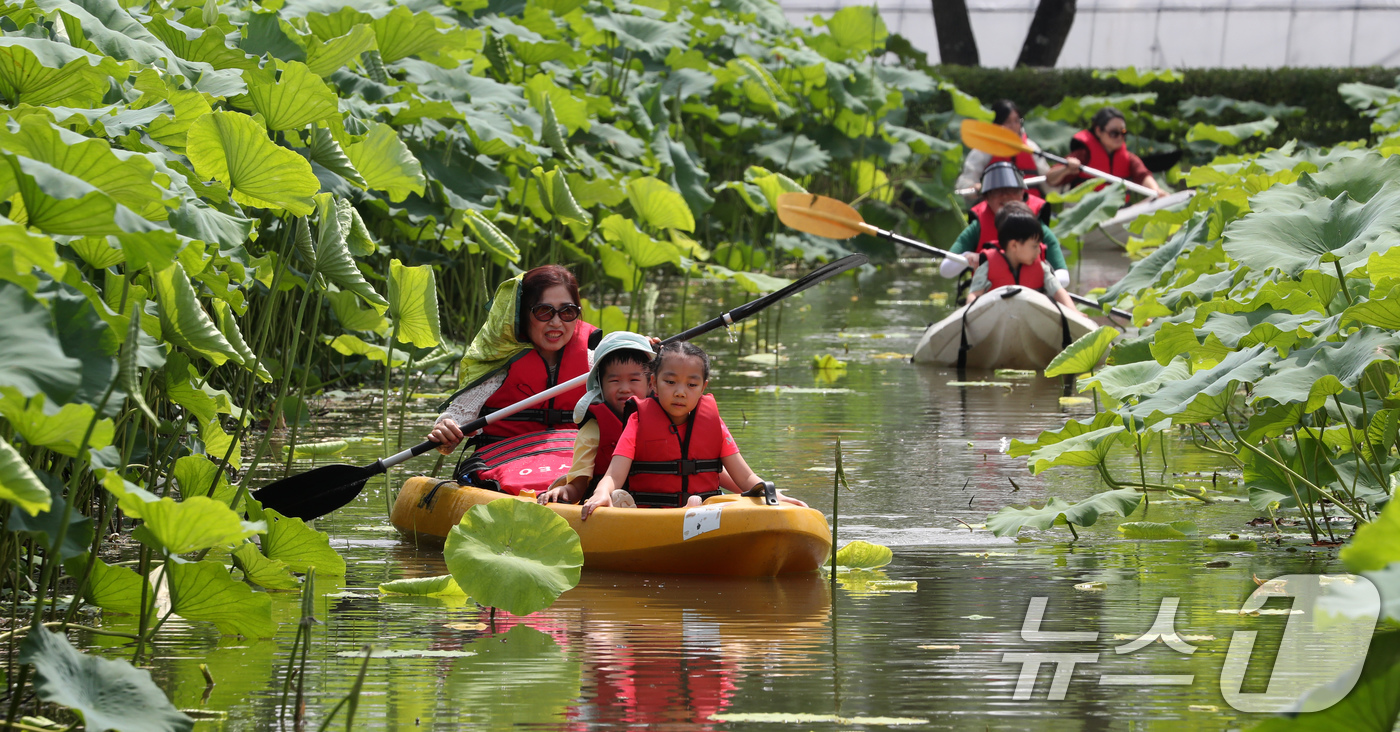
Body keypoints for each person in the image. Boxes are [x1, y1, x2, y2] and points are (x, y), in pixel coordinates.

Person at [579, 342, 805, 519]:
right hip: (652, 514)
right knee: (617, 495)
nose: (680, 392)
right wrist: (601, 493)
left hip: (705, 508)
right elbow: (614, 475)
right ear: (653, 384)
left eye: (691, 385)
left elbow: (745, 476)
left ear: (703, 387)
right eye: (670, 382)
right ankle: (625, 507)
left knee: (717, 504)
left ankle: (694, 512)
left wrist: (774, 495)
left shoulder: (713, 423)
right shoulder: (637, 421)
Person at [428, 265, 598, 453]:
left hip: (573, 471)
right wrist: (445, 432)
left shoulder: (595, 366)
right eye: (543, 311)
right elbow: (453, 425)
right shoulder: (499, 367)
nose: (556, 322)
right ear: (521, 315)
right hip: (503, 467)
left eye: (567, 311)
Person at [941, 162, 1070, 288]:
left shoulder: (1036, 226)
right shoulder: (977, 228)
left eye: (1011, 190)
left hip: (1033, 292)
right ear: (987, 197)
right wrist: (966, 257)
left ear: (1021, 194)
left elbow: (1063, 275)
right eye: (997, 191)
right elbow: (945, 271)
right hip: (988, 294)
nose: (1005, 196)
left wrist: (1049, 283)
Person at [967, 202, 1075, 309]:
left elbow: (1059, 291)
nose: (1038, 251)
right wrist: (968, 311)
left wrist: (1074, 311)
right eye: (1034, 246)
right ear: (1014, 245)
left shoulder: (1042, 268)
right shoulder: (987, 267)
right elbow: (974, 294)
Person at [1045, 107, 1166, 199]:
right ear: (1098, 131)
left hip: (1119, 212)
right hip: (1086, 214)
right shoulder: (1083, 154)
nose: (1119, 137)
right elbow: (1050, 179)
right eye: (1114, 133)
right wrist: (1066, 169)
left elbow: (1143, 175)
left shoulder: (1129, 158)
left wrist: (1156, 191)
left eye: (1123, 132)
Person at [956, 100, 1050, 201]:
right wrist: (974, 187)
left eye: (1016, 121)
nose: (1014, 126)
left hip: (1030, 207)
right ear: (997, 124)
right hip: (997, 209)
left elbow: (1049, 182)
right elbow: (965, 181)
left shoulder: (1031, 147)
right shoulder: (983, 150)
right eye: (1008, 122)